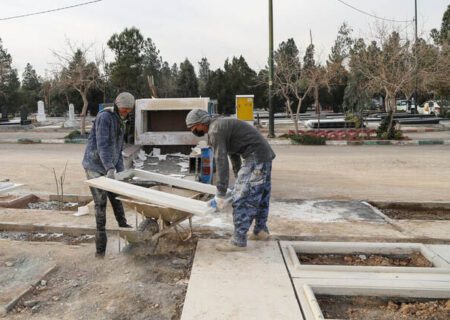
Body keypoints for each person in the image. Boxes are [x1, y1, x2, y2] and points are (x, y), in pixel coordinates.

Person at [185, 109, 276, 251]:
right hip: (263, 155)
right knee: (261, 194)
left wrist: (220, 192)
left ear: (201, 123)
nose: (193, 131)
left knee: (241, 198)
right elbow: (233, 153)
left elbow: (221, 160)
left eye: (193, 127)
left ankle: (238, 241)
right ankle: (260, 231)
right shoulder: (221, 124)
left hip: (255, 157)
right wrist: (239, 173)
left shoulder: (215, 130)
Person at [82, 92, 135, 257]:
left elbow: (118, 149)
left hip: (109, 165)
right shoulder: (105, 117)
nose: (126, 112)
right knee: (101, 203)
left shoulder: (121, 121)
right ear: (117, 105)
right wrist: (110, 168)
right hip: (95, 165)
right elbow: (102, 145)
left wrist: (121, 173)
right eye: (124, 109)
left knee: (116, 197)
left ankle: (124, 226)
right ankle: (100, 248)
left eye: (128, 110)